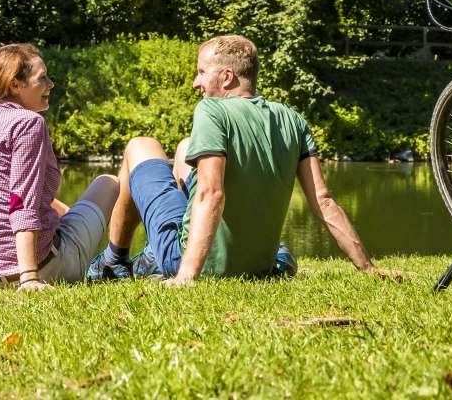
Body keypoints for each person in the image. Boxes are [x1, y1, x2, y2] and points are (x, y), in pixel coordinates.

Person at [89, 34, 385, 285]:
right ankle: (151, 253)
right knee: (185, 148)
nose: (196, 82)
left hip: (195, 264)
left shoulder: (212, 111)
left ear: (227, 76)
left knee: (140, 145)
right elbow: (324, 201)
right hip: (256, 268)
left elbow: (211, 193)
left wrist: (186, 276)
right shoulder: (292, 118)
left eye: (202, 72)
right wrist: (368, 268)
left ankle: (114, 260)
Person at [0, 43, 118, 289]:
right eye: (42, 78)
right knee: (108, 182)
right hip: (35, 270)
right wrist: (30, 277)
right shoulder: (28, 123)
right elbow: (22, 202)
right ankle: (117, 261)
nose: (50, 84)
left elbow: (4, 195)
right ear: (15, 84)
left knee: (65, 214)